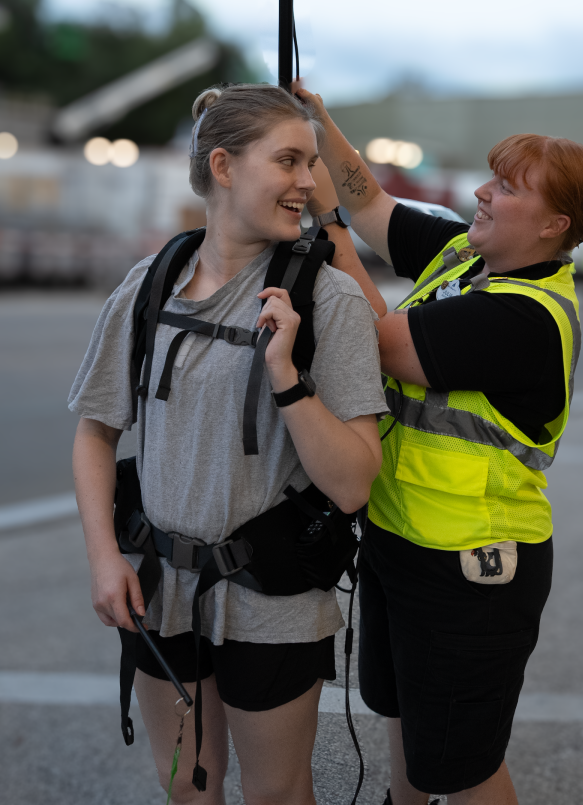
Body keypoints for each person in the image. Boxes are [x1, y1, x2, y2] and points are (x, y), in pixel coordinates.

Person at [295, 89, 583, 805]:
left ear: (553, 225)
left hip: (470, 571)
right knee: (405, 715)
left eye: (505, 187)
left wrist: (324, 224)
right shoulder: (461, 256)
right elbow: (371, 204)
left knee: (463, 767)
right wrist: (318, 125)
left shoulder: (523, 316)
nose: (481, 191)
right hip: (399, 538)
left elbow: (372, 340)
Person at [70, 84, 388, 805]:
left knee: (275, 795)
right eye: (288, 161)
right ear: (223, 166)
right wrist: (101, 559)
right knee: (187, 784)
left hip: (272, 597)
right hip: (161, 590)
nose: (309, 183)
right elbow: (95, 432)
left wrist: (286, 376)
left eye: (311, 163)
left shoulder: (328, 299)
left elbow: (353, 484)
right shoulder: (147, 287)